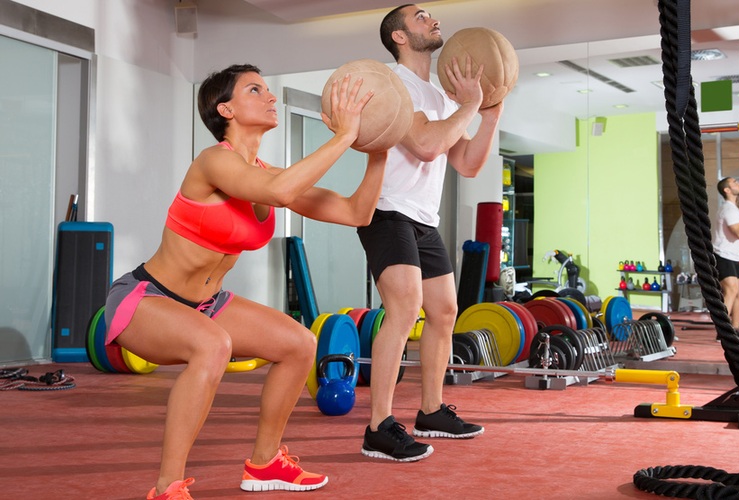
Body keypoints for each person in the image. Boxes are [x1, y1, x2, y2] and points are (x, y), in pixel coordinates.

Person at [104, 64, 385, 499]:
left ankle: (266, 463)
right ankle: (167, 487)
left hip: (207, 304)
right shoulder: (215, 160)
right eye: (256, 90)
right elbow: (280, 194)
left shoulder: (267, 172)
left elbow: (356, 213)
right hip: (147, 299)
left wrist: (377, 150)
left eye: (270, 91)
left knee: (299, 344)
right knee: (213, 344)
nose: (271, 98)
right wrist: (343, 137)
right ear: (226, 109)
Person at [354, 4, 504, 462]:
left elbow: (468, 163)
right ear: (399, 36)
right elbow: (423, 144)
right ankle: (378, 425)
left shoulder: (439, 98)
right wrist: (472, 106)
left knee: (444, 311)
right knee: (404, 309)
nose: (433, 19)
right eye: (420, 17)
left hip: (423, 218)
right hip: (386, 212)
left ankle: (432, 410)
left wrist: (491, 112)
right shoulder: (391, 82)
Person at [712, 177, 739, 334]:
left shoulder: (737, 210)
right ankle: (723, 332)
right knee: (731, 290)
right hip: (721, 254)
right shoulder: (728, 209)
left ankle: (735, 328)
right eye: (734, 183)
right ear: (726, 190)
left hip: (733, 256)